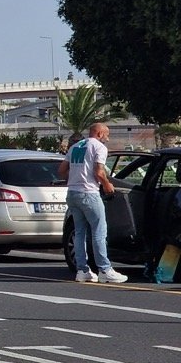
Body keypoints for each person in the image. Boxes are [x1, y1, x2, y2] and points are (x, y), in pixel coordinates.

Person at [58, 122, 128, 284]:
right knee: (99, 232)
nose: (108, 139)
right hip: (89, 193)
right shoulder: (98, 147)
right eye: (107, 135)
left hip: (73, 193)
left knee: (80, 232)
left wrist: (75, 178)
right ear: (99, 134)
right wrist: (106, 184)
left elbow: (61, 171)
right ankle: (104, 269)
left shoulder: (75, 146)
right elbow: (98, 171)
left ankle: (82, 270)